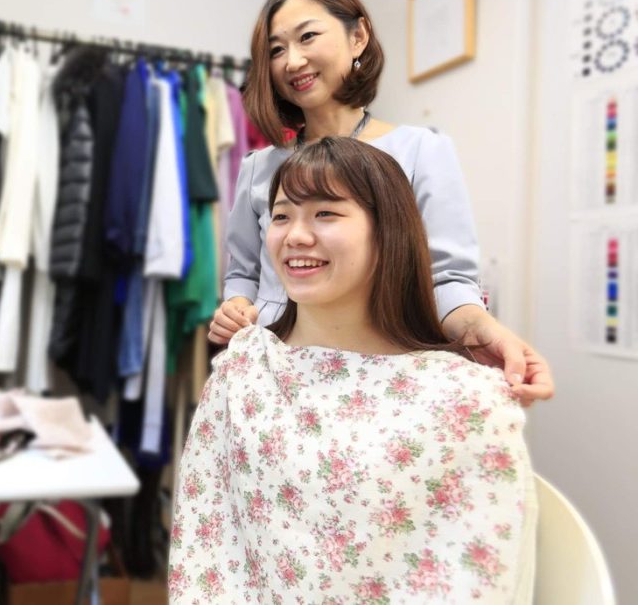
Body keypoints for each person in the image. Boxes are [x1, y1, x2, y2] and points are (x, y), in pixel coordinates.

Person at [170, 138, 536, 603]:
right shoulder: (243, 373)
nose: (295, 235)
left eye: (325, 213)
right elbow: (206, 549)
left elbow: (478, 580)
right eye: (281, 216)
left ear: (388, 231)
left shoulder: (466, 402)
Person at [210, 0, 552, 406]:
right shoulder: (259, 167)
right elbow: (243, 271)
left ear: (358, 37)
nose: (292, 61)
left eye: (307, 37)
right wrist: (236, 306)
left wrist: (477, 325)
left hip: (379, 377)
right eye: (276, 50)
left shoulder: (420, 150)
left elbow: (446, 276)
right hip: (273, 372)